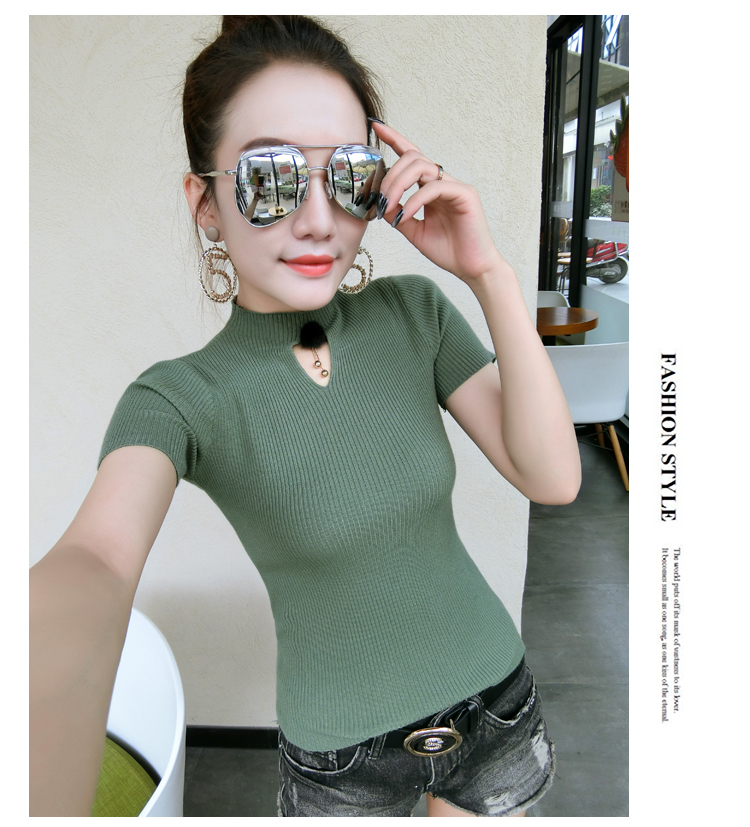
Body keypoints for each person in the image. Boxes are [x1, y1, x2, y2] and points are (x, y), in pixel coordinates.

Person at [29, 15, 581, 817]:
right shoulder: (180, 397)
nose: (320, 218)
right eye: (271, 178)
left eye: (350, 174)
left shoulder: (415, 314)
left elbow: (552, 476)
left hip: (494, 709)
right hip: (345, 763)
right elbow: (98, 559)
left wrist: (487, 270)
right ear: (205, 202)